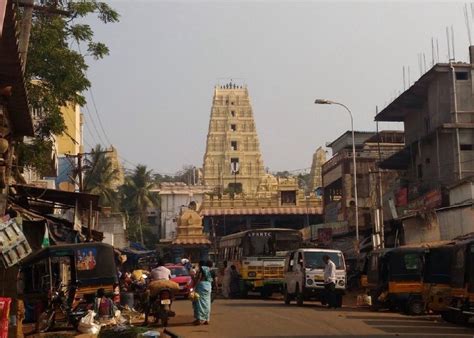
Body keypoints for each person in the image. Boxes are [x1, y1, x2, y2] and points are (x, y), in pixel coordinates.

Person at [192, 260, 213, 325]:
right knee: (207, 303)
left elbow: (198, 278)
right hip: (208, 286)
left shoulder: (201, 269)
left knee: (199, 303)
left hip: (201, 286)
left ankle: (199, 319)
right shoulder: (209, 270)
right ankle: (207, 319)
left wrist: (193, 280)